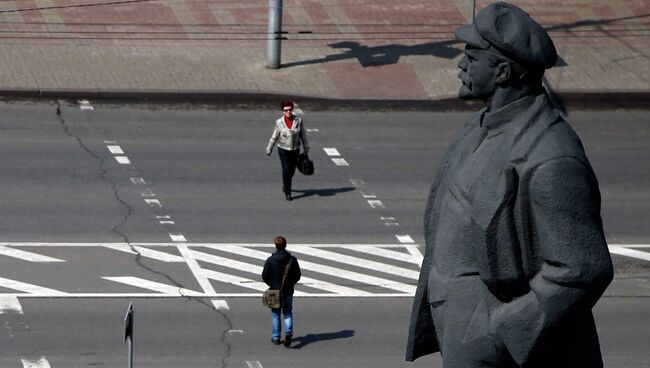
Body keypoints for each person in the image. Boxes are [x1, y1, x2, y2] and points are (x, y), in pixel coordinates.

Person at [406, 3, 613, 368]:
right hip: (461, 327)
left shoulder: (551, 157)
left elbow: (582, 269)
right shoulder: (479, 127)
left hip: (499, 345)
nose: (461, 65)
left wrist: (503, 331)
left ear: (502, 72)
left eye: (472, 57)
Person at [262, 236, 301, 347]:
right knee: (288, 312)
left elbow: (264, 276)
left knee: (275, 314)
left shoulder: (270, 260)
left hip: (274, 291)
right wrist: (290, 283)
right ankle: (288, 332)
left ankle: (276, 337)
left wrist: (272, 284)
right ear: (285, 245)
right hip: (288, 291)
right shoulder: (292, 260)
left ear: (276, 246)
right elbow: (297, 275)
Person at [266, 100, 310, 201]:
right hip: (283, 150)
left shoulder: (298, 120)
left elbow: (303, 135)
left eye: (290, 110)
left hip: (295, 150)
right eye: (286, 110)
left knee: (292, 170)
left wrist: (306, 147)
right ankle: (288, 192)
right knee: (286, 170)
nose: (288, 112)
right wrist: (269, 148)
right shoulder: (279, 123)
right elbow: (274, 136)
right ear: (283, 111)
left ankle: (286, 184)